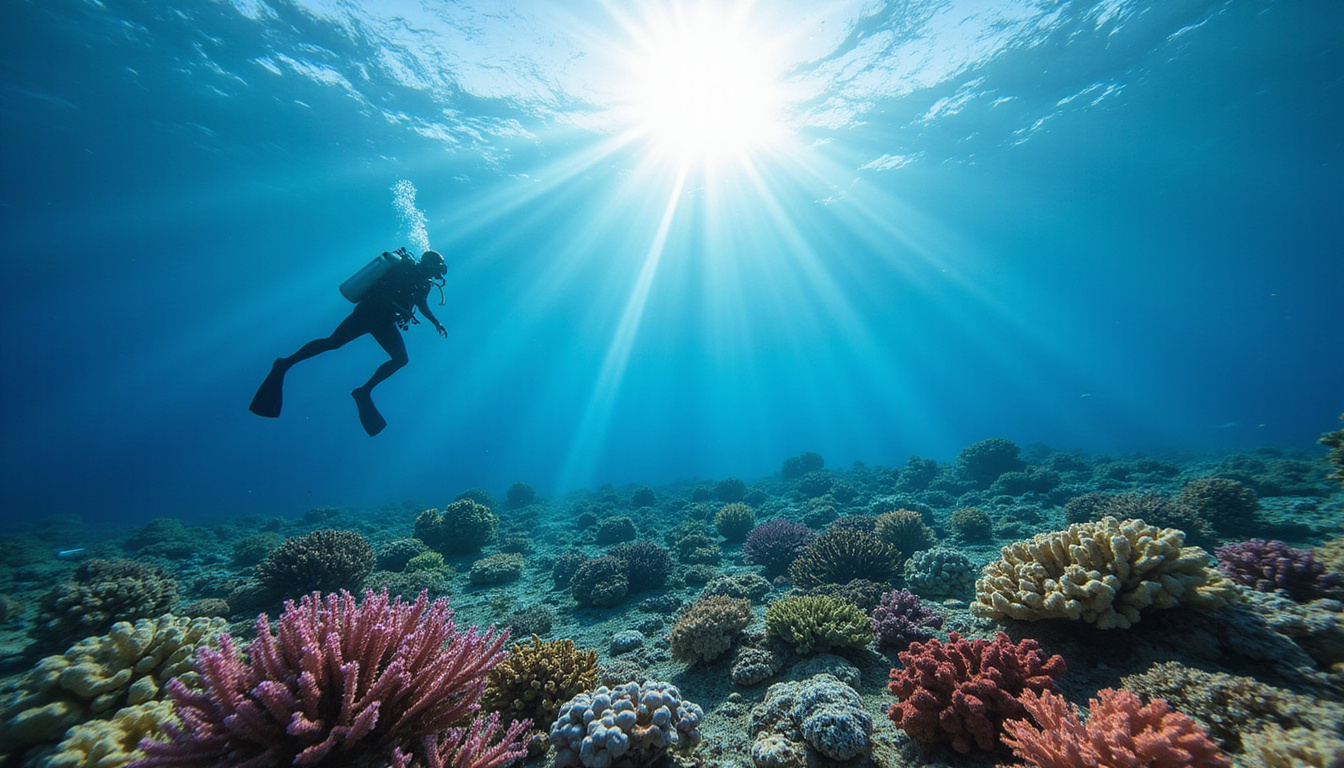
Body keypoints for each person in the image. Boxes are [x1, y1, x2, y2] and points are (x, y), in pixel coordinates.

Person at [249, 249, 448, 435]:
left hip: (385, 322)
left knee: (400, 359)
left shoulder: (426, 284)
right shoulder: (404, 266)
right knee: (334, 342)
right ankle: (285, 363)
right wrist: (401, 307)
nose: (438, 273)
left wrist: (436, 323)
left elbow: (423, 306)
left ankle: (363, 391)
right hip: (368, 313)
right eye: (437, 267)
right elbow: (384, 289)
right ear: (428, 263)